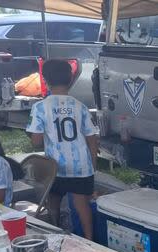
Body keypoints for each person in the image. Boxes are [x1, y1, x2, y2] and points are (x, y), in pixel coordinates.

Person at [26, 60, 99, 240]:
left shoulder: (40, 107)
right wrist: (93, 167)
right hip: (81, 165)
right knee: (82, 206)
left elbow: (36, 141)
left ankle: (56, 235)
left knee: (54, 203)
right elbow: (92, 140)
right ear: (71, 79)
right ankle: (90, 241)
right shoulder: (80, 106)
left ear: (45, 80)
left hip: (56, 166)